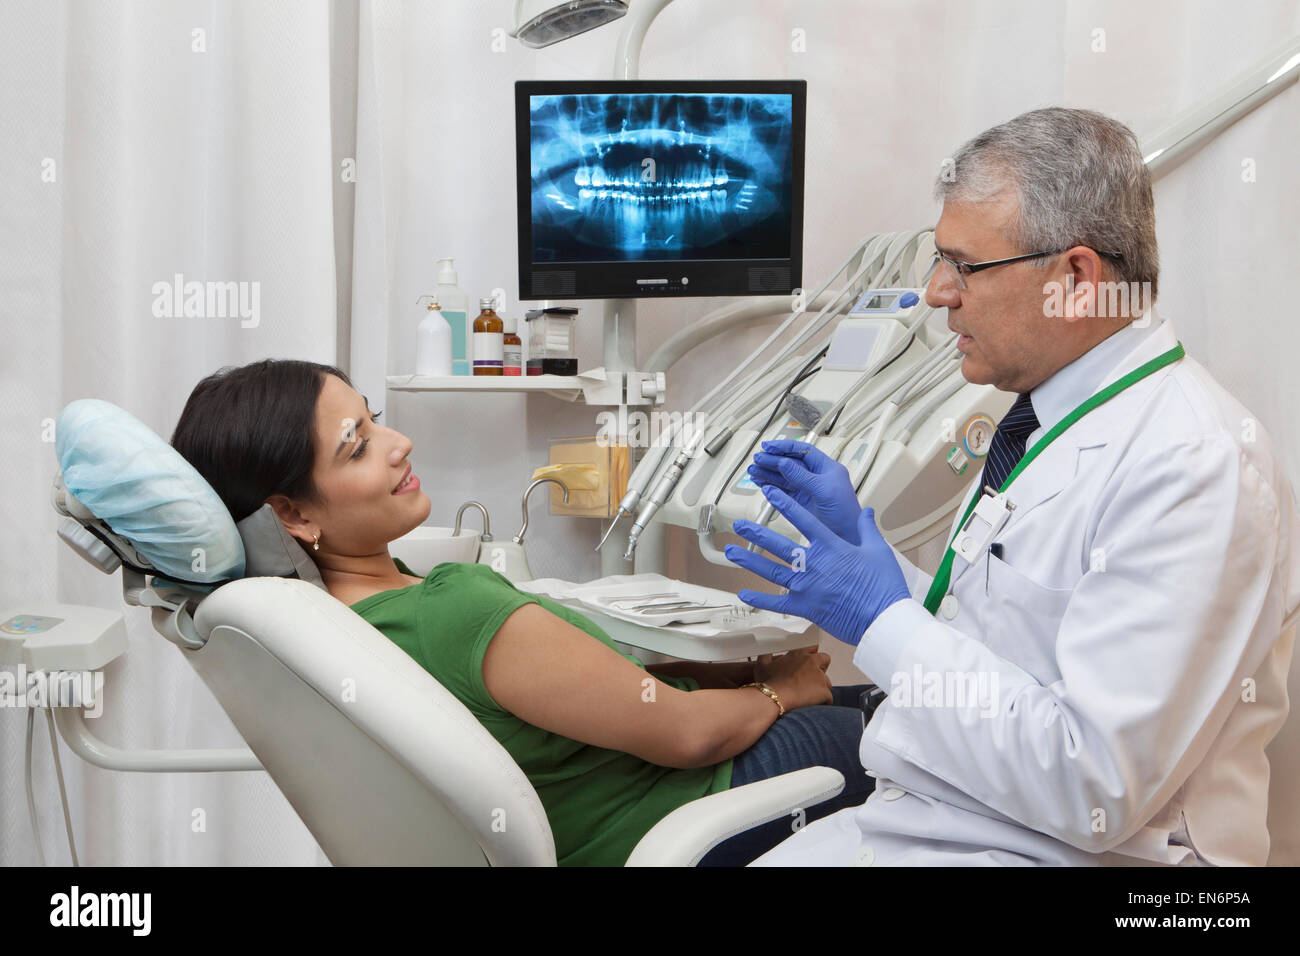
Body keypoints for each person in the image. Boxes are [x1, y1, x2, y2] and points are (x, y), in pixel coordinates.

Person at [726, 107, 1300, 866]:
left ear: (1074, 278)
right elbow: (1013, 647)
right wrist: (872, 568)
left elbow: (1093, 786)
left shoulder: (1193, 465)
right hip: (947, 819)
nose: (936, 293)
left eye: (965, 265)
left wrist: (877, 619)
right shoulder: (1045, 419)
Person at [170, 358, 874, 866]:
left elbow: (602, 690)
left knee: (877, 699)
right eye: (358, 447)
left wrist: (747, 675)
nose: (397, 444)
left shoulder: (335, 626)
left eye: (374, 420)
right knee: (920, 733)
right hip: (678, 809)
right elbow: (687, 734)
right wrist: (778, 691)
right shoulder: (454, 608)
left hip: (618, 807)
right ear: (291, 515)